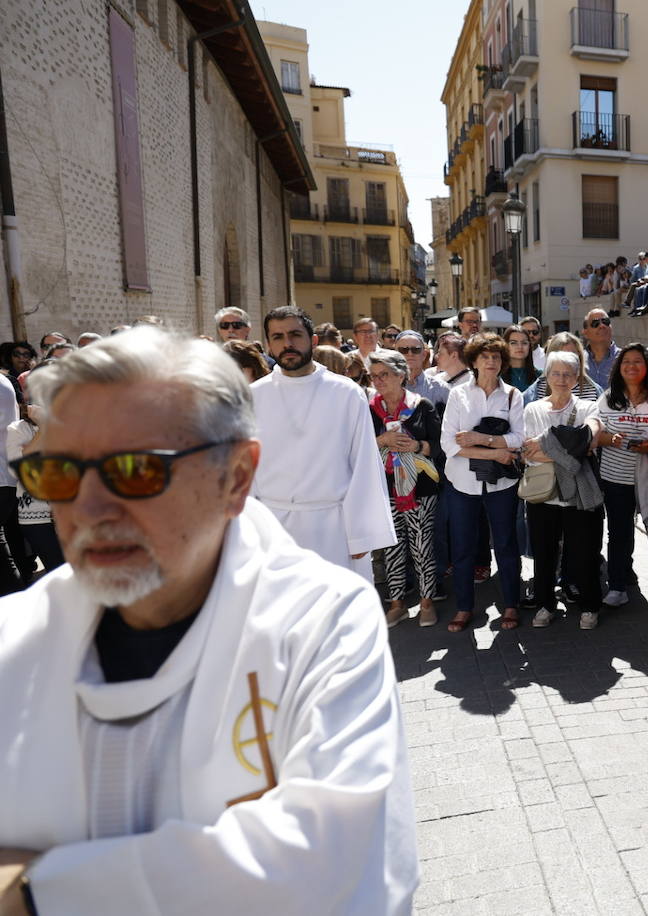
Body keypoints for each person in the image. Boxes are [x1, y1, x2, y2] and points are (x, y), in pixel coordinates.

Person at [0, 329, 417, 913]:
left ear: (237, 476)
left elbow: (336, 864)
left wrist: (34, 892)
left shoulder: (321, 625)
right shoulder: (13, 636)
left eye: (134, 470)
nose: (88, 510)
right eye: (60, 475)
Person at [252, 307, 396, 578]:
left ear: (313, 341)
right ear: (269, 345)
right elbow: (243, 472)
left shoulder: (345, 393)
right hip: (272, 530)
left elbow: (364, 463)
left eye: (295, 335)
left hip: (334, 528)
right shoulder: (253, 396)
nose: (288, 344)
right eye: (278, 337)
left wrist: (361, 534)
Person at [440, 333, 524, 632]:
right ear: (473, 361)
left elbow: (519, 439)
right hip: (462, 483)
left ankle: (512, 605)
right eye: (485, 357)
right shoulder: (458, 395)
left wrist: (482, 439)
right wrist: (495, 452)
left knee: (506, 545)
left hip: (501, 486)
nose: (491, 362)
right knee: (462, 548)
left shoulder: (513, 395)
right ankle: (464, 608)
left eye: (497, 357)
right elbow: (448, 444)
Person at [521, 351, 606, 630]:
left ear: (576, 378)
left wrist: (549, 446)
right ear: (546, 376)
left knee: (585, 553)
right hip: (543, 494)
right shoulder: (533, 409)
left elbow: (590, 443)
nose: (561, 379)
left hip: (580, 494)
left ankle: (590, 607)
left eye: (567, 374)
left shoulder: (587, 407)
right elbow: (527, 453)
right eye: (555, 373)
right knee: (544, 554)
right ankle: (546, 604)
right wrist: (571, 450)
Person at [366, 349, 442, 629]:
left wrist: (417, 446)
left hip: (420, 488)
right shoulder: (369, 408)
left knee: (421, 546)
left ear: (401, 375)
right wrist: (381, 439)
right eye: (374, 376)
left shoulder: (421, 406)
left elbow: (440, 444)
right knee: (392, 546)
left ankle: (426, 602)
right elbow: (358, 447)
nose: (378, 381)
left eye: (384, 374)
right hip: (385, 488)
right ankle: (397, 604)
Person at [593, 344, 648, 612]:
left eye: (638, 361)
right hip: (616, 476)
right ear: (618, 367)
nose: (632, 366)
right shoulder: (607, 398)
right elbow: (595, 434)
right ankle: (617, 587)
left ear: (647, 367)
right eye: (626, 362)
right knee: (619, 533)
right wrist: (612, 439)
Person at [5, 368, 63, 576]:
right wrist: (44, 429)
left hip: (74, 511)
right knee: (58, 573)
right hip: (36, 516)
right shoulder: (18, 429)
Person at [524, 332, 602, 404]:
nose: (566, 360)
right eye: (560, 355)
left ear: (579, 357)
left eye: (571, 355)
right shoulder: (537, 389)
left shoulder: (594, 390)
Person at [395, 330, 448, 407]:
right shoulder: (385, 387)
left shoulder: (440, 389)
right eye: (404, 350)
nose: (410, 354)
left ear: (424, 355)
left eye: (415, 350)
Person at [581, 308, 620, 390]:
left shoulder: (624, 358)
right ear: (585, 333)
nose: (602, 326)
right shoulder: (578, 361)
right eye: (595, 323)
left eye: (605, 322)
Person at [500, 324, 541, 393]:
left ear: (529, 346)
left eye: (524, 343)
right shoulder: (497, 376)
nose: (520, 347)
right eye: (513, 343)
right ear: (505, 345)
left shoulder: (539, 376)